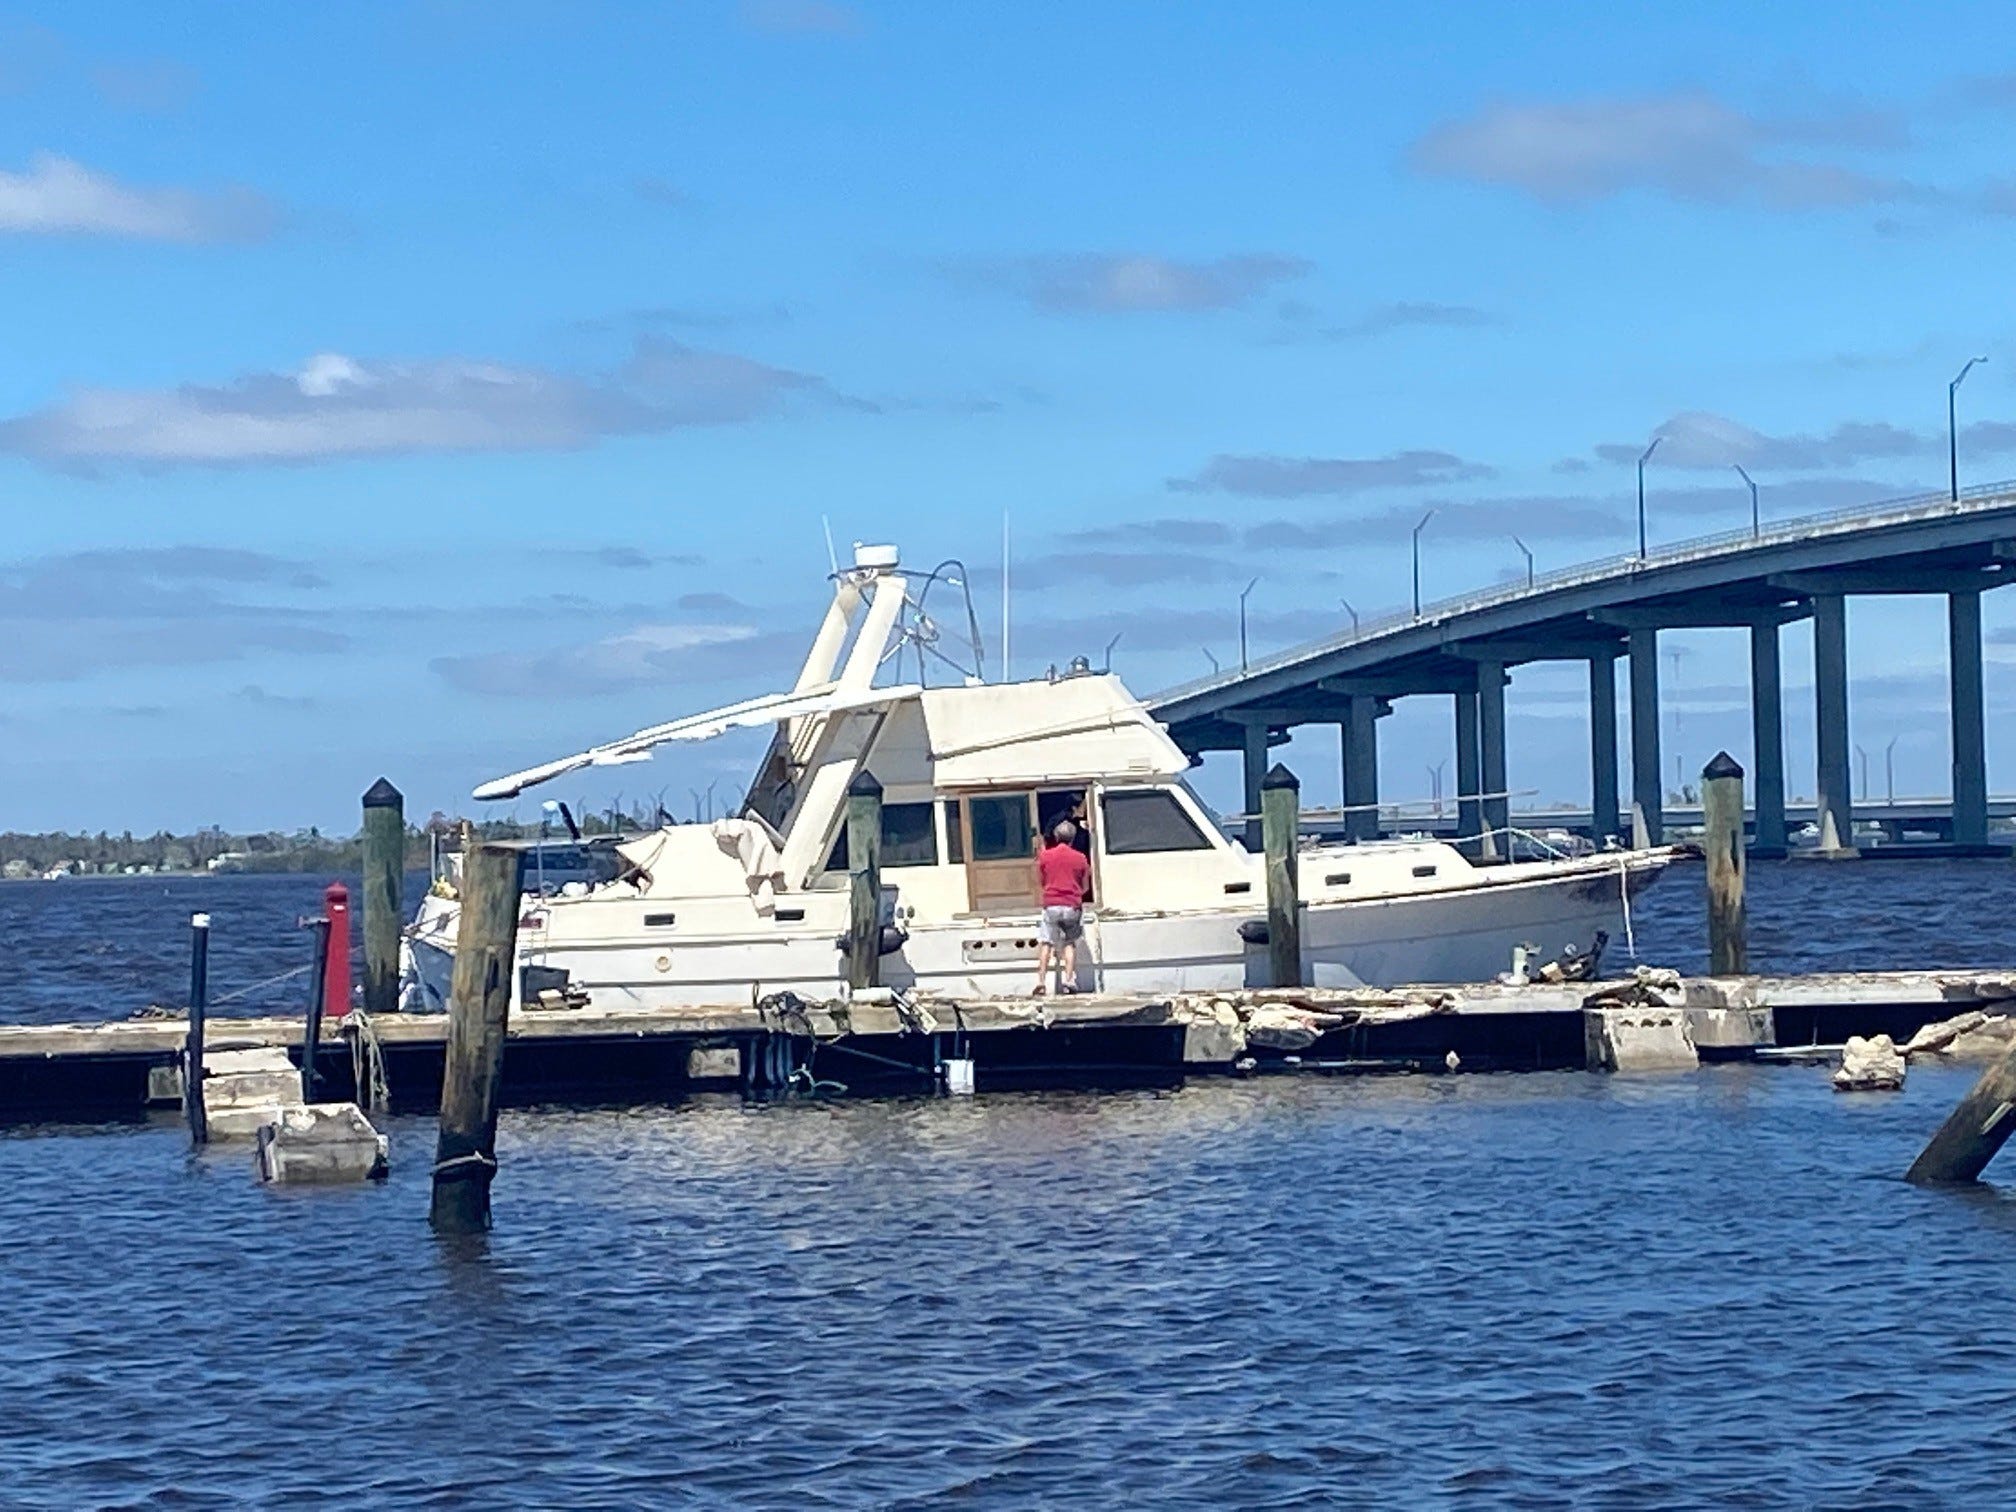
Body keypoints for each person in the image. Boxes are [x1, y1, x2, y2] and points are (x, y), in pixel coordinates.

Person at [1031, 819, 1091, 995]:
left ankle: (1041, 982)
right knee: (1069, 944)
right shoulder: (1080, 858)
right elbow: (1085, 887)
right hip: (1072, 905)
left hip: (1051, 904)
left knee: (1046, 943)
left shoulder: (1045, 857)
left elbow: (1041, 882)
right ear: (1073, 838)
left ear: (1056, 837)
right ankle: (1069, 981)